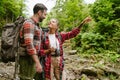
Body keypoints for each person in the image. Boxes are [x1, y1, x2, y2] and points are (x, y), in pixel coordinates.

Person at [19, 3, 47, 80]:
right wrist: (37, 63)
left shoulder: (36, 25)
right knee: (26, 78)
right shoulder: (29, 24)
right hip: (27, 58)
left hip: (32, 58)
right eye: (44, 14)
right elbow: (29, 44)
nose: (45, 17)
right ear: (39, 12)